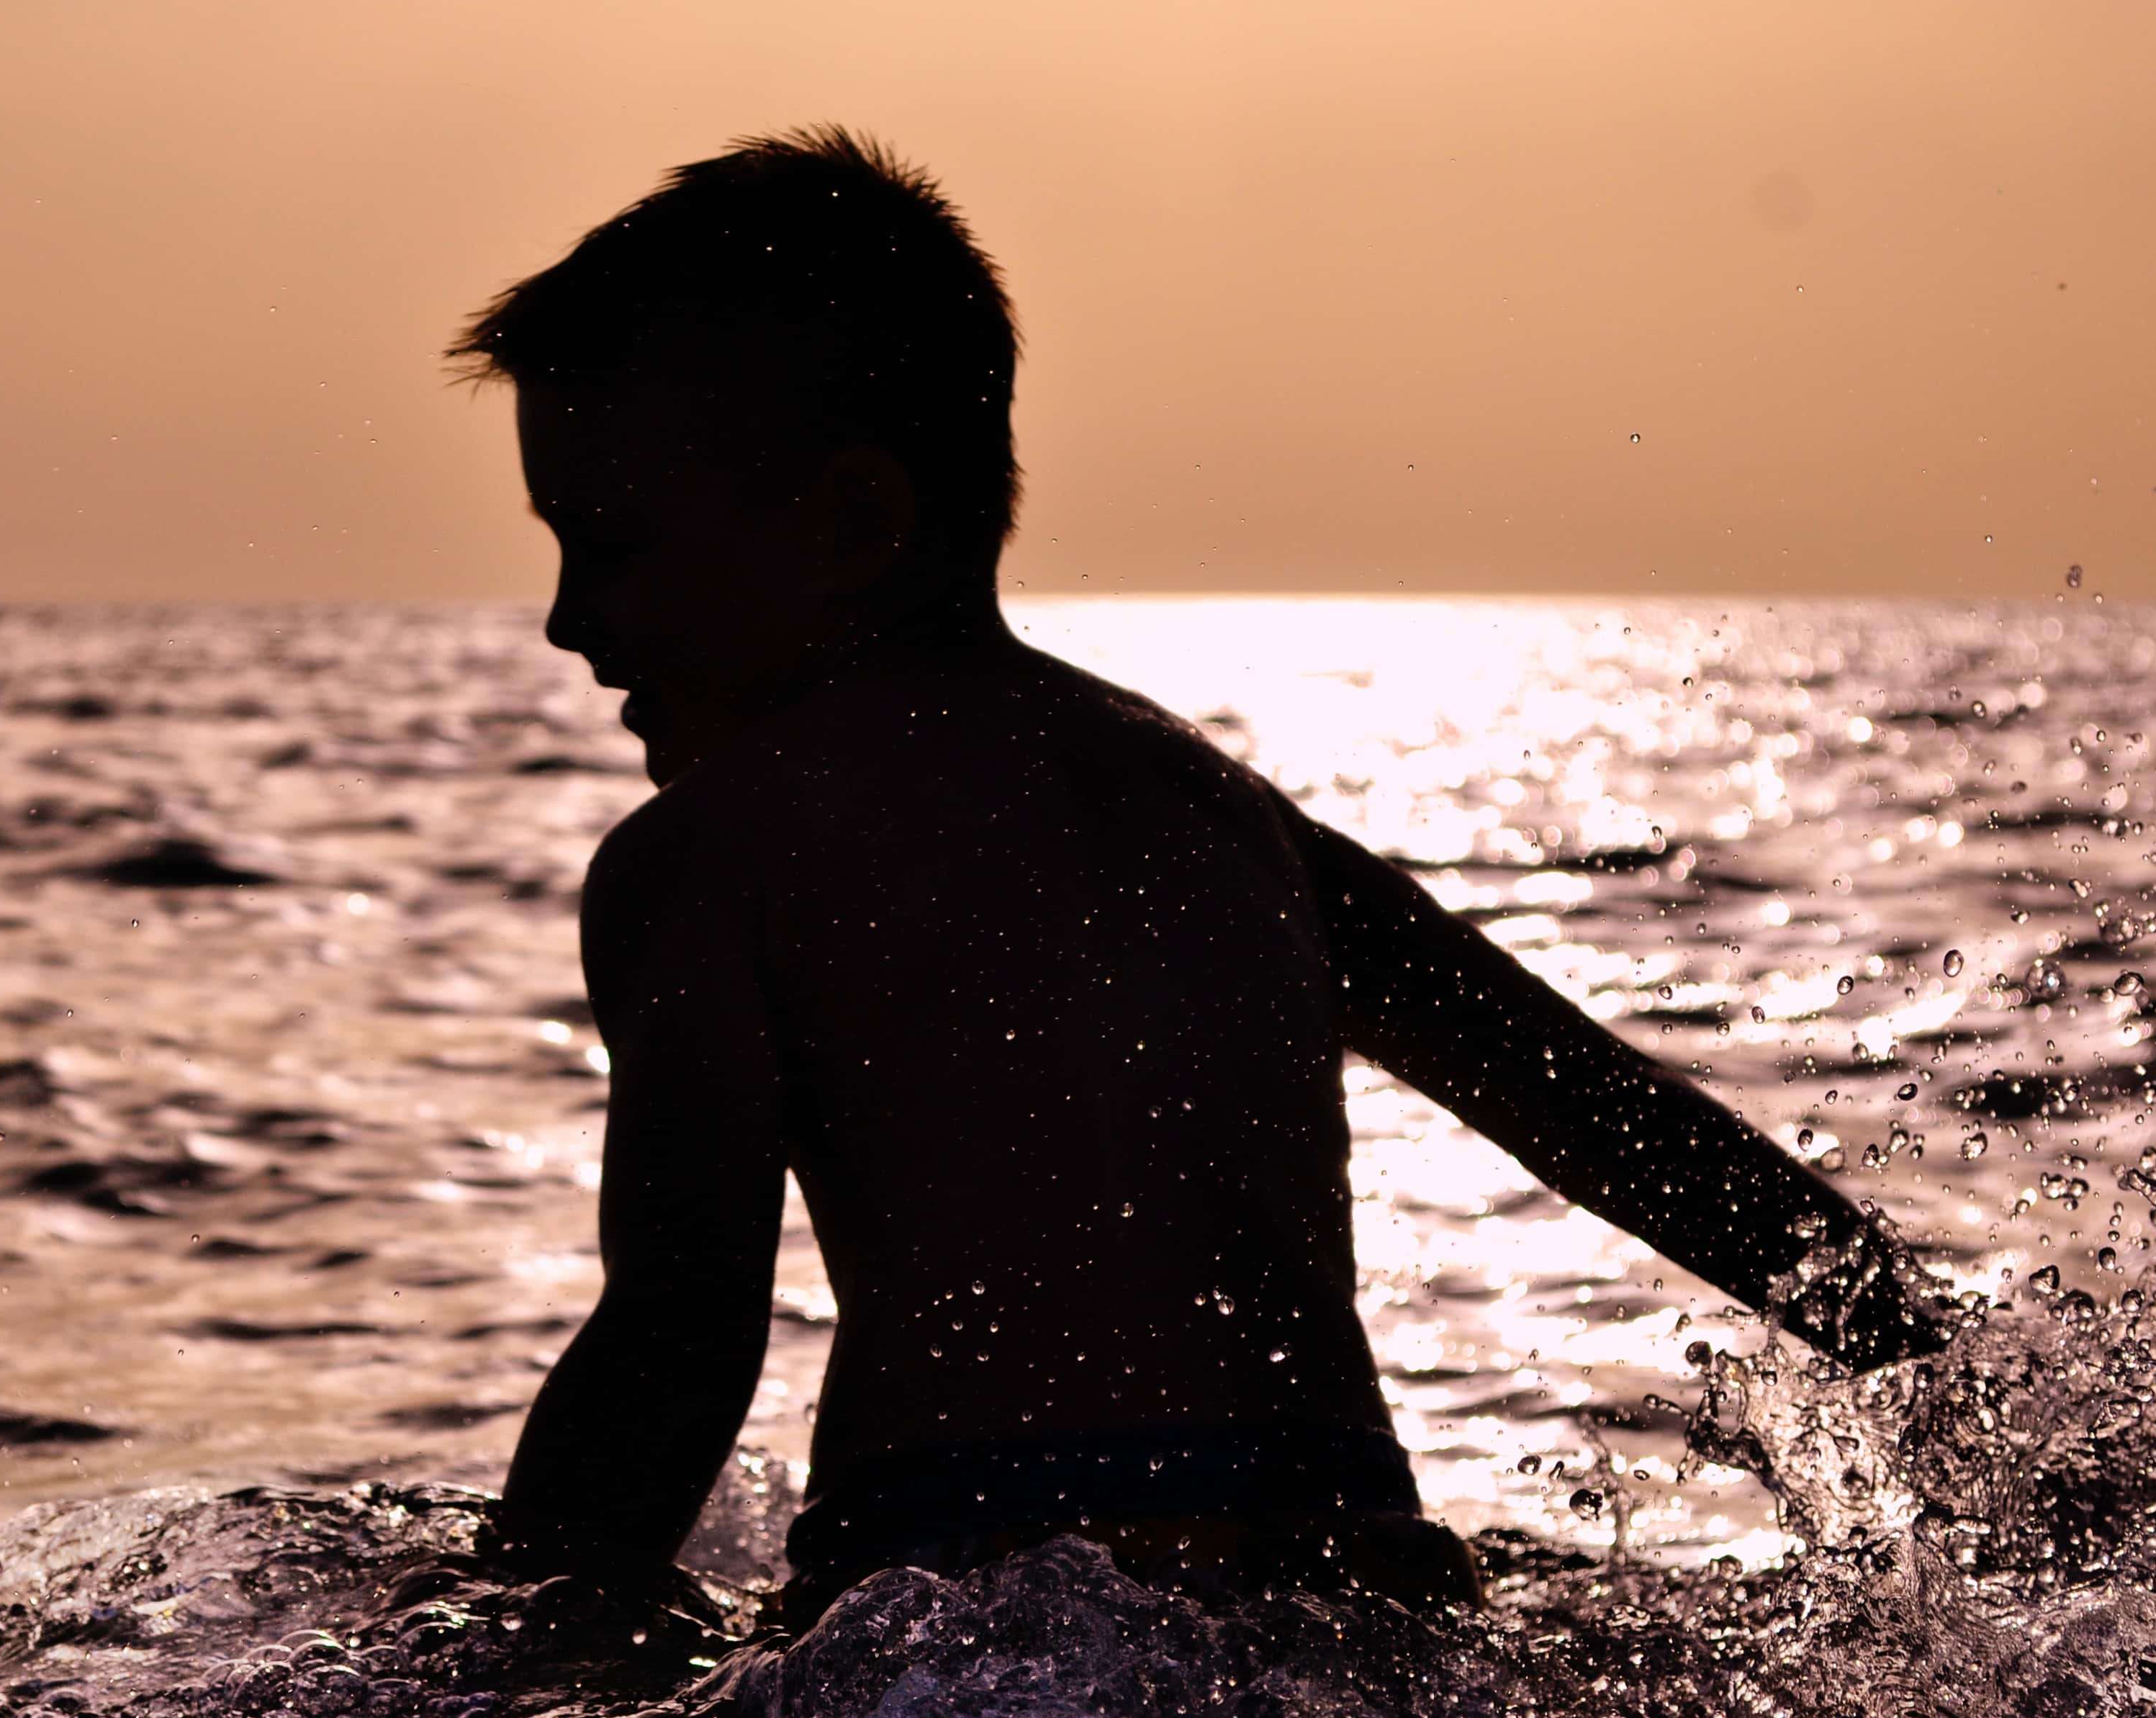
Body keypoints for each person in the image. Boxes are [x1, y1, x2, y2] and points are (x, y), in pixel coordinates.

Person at [451, 127, 1938, 1625]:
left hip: (969, 1590)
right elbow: (1601, 1115)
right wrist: (1936, 1370)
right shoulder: (1220, 811)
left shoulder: (707, 861)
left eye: (610, 548)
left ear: (850, 526)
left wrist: (499, 1654)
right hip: (1359, 1590)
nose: (568, 622)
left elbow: (675, 1342)